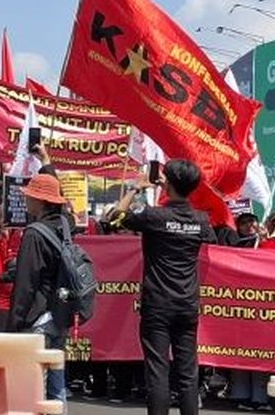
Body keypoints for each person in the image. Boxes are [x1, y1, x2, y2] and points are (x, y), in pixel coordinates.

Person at [112, 159, 215, 415]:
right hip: (187, 304)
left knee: (158, 371)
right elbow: (211, 236)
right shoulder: (201, 220)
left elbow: (113, 217)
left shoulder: (154, 216)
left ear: (167, 183)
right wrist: (169, 187)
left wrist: (136, 187)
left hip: (157, 304)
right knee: (188, 373)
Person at [9, 172, 77, 408]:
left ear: (39, 201)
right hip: (60, 312)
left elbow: (26, 283)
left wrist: (15, 322)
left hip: (37, 317)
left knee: (33, 386)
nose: (26, 200)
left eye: (29, 196)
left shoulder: (34, 234)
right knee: (56, 385)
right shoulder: (66, 226)